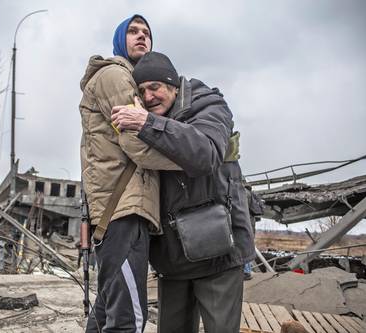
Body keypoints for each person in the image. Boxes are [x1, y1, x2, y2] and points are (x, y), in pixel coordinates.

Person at [111, 51, 255, 333]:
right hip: (172, 258)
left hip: (219, 254)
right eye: (142, 91)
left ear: (174, 86)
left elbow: (205, 154)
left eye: (155, 87)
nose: (149, 96)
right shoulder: (144, 118)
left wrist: (146, 123)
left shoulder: (208, 104)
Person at [79, 16, 178, 332]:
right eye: (133, 32)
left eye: (147, 33)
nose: (142, 37)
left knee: (107, 313)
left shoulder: (130, 82)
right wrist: (189, 158)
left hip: (120, 209)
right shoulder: (116, 76)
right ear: (120, 39)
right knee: (129, 319)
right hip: (123, 209)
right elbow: (138, 143)